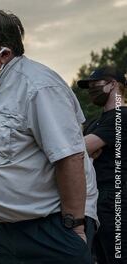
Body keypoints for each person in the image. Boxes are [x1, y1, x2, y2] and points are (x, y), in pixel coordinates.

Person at [0, 9, 98, 263]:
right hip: (9, 231)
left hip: (52, 228)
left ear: (4, 53)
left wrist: (75, 227)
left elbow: (70, 158)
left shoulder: (38, 88)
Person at [77, 66, 127, 263]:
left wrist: (87, 151)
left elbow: (79, 150)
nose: (91, 90)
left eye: (95, 85)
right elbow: (80, 151)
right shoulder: (96, 122)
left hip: (116, 200)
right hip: (97, 199)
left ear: (113, 84)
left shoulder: (121, 117)